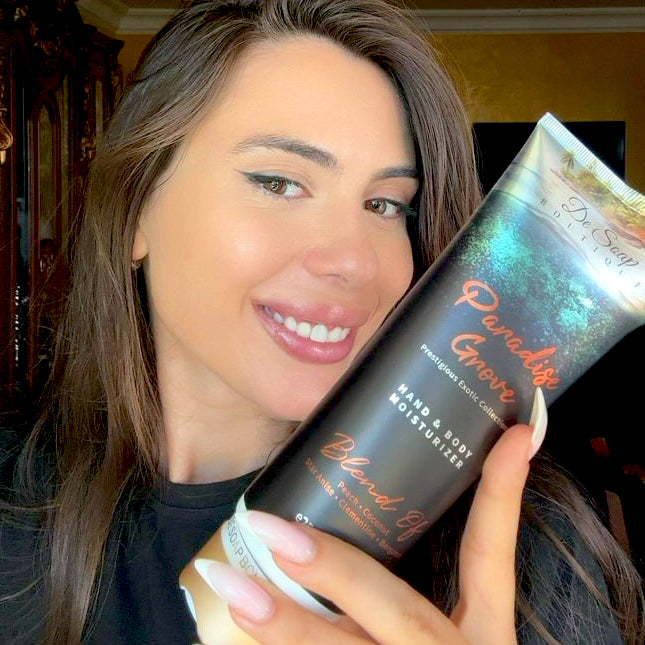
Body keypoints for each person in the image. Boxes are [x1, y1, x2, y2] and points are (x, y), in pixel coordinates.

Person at [1, 1, 643, 643]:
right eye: (279, 183)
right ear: (136, 210)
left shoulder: (531, 565)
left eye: (385, 204)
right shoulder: (13, 505)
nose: (355, 261)